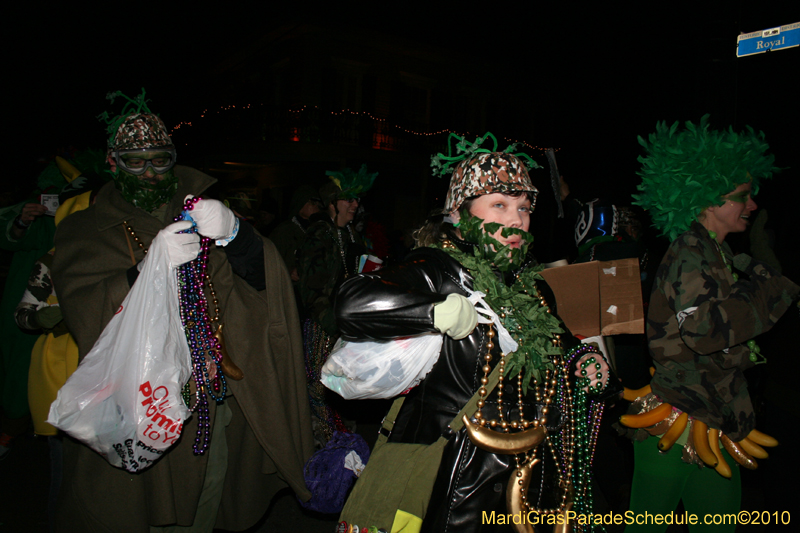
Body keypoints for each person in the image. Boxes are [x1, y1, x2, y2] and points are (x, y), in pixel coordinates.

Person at [50, 90, 314, 532]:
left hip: (213, 401)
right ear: (113, 163)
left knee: (205, 508)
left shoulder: (199, 211)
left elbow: (258, 293)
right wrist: (146, 269)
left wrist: (237, 236)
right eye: (136, 161)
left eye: (160, 159)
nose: (150, 172)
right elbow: (84, 314)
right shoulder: (84, 228)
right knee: (142, 512)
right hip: (143, 404)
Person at [335, 133, 614, 532]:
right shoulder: (440, 268)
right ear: (461, 213)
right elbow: (351, 303)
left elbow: (560, 342)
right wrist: (432, 310)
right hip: (455, 475)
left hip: (530, 475)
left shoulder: (531, 285)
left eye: (523, 207)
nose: (517, 219)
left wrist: (583, 360)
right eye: (499, 205)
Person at [626, 116, 799, 532]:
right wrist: (767, 292)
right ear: (706, 200)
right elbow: (704, 332)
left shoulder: (713, 252)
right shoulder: (690, 254)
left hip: (713, 421)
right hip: (677, 424)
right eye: (742, 196)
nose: (752, 204)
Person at [296, 165, 376, 446]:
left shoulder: (352, 235)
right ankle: (325, 460)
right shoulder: (320, 234)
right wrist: (334, 326)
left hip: (348, 328)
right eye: (349, 199)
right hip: (325, 329)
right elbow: (312, 292)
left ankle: (345, 454)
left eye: (357, 200)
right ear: (332, 203)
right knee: (321, 394)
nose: (355, 205)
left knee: (346, 394)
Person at [269, 185, 322, 283]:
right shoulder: (285, 230)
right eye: (313, 202)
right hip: (289, 288)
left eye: (319, 203)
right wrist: (289, 272)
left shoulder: (317, 230)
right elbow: (271, 261)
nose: (317, 206)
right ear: (300, 203)